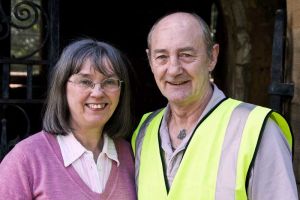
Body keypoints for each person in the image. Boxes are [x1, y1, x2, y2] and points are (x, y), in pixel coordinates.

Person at [132, 12, 298, 200]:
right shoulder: (144, 131)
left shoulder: (257, 129)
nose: (174, 69)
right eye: (162, 57)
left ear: (212, 57)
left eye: (186, 55)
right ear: (150, 61)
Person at [0, 39, 137, 199]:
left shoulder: (130, 155)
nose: (98, 93)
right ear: (62, 87)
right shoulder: (25, 159)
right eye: (85, 81)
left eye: (110, 82)